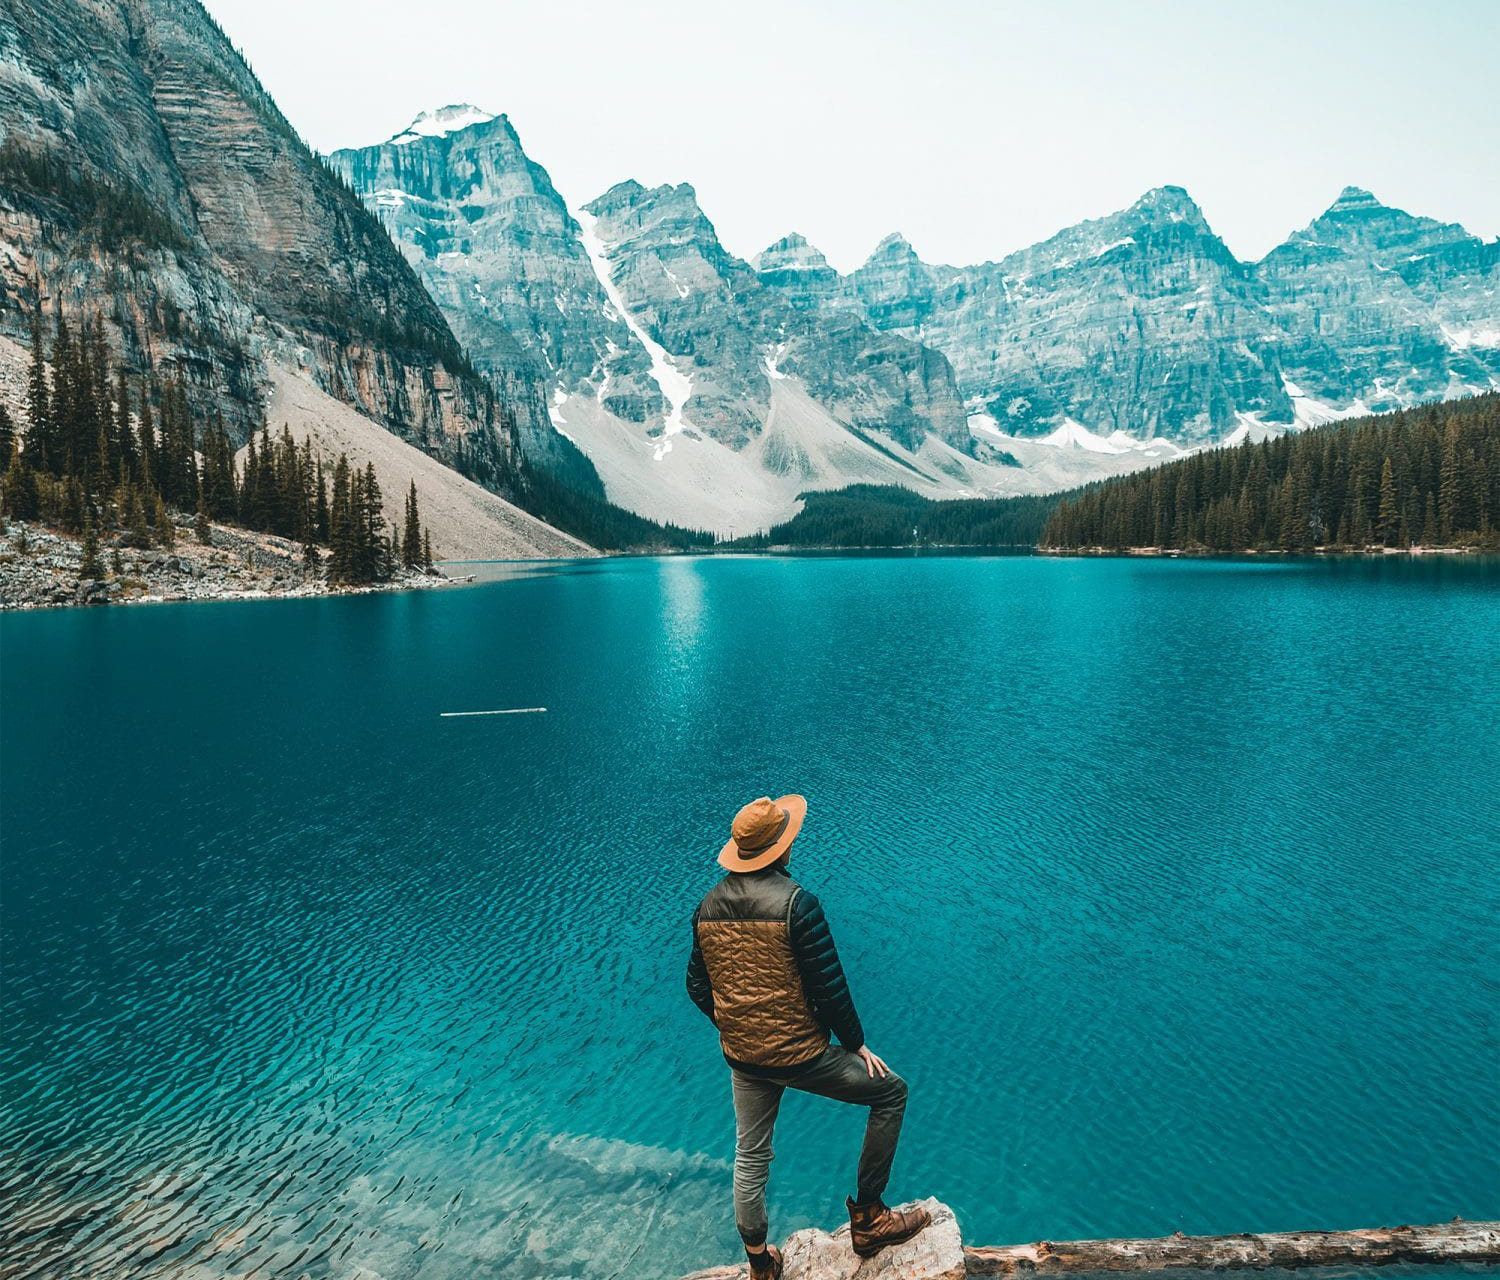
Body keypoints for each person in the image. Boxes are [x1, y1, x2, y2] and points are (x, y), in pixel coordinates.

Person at [686, 794, 930, 1280]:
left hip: (745, 1058)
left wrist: (737, 1026)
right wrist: (856, 1043)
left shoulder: (707, 906)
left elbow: (696, 985)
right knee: (891, 1093)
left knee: (750, 1155)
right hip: (802, 1055)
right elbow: (829, 987)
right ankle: (869, 1217)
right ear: (780, 849)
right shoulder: (798, 904)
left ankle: (760, 1264)